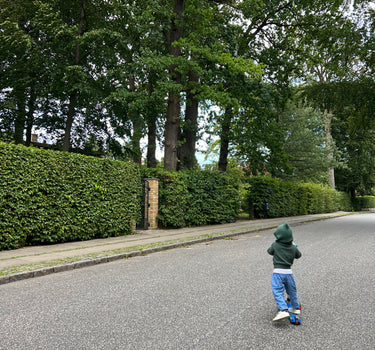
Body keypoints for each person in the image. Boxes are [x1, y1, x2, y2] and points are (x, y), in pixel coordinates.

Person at [267, 222, 302, 322]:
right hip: (289, 273)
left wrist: (276, 244)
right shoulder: (293, 247)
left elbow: (269, 251)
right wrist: (294, 245)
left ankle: (283, 310)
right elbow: (298, 255)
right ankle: (295, 308)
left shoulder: (275, 245)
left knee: (278, 291)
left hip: (278, 273)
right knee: (292, 291)